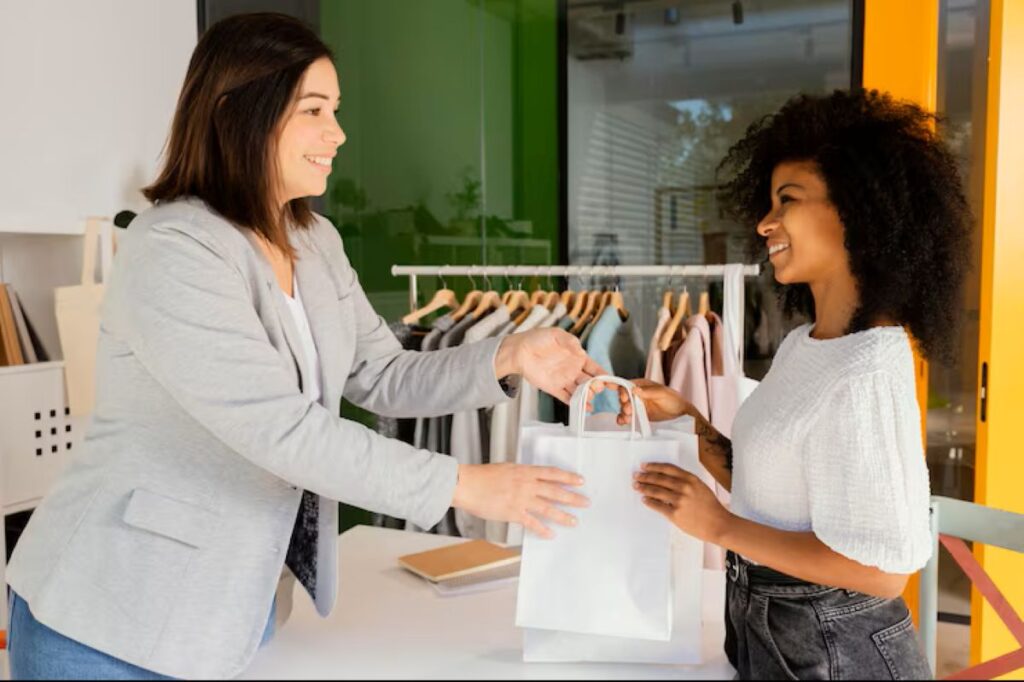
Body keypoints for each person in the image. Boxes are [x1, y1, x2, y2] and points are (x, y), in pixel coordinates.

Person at [5, 13, 599, 680]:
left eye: (336, 110)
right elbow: (280, 429)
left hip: (228, 609)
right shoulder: (172, 251)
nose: (338, 133)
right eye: (313, 109)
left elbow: (382, 374)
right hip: (107, 621)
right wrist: (465, 486)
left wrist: (507, 354)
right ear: (238, 113)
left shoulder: (314, 242)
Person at [609, 89, 971, 679]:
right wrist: (687, 419)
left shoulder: (869, 371)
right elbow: (774, 490)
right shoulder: (807, 345)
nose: (764, 222)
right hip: (771, 637)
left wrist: (719, 526)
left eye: (788, 200)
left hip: (838, 654)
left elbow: (882, 572)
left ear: (857, 211)